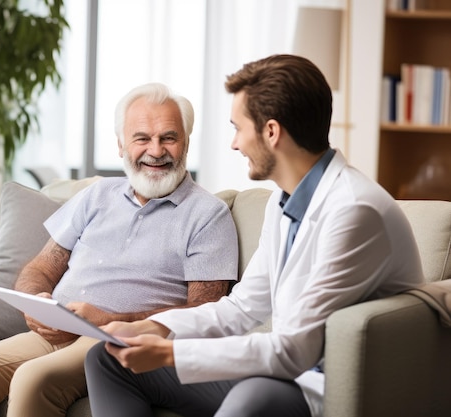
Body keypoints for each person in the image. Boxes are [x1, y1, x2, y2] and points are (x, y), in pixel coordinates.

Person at [84, 54, 425, 417]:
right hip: (285, 374)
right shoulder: (284, 199)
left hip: (331, 387)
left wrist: (169, 352)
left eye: (238, 128)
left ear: (272, 132)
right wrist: (152, 327)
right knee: (107, 360)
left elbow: (294, 351)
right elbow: (243, 306)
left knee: (254, 400)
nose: (234, 144)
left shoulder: (355, 211)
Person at [0, 82, 239, 417]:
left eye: (168, 137)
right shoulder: (98, 195)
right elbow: (41, 267)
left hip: (118, 342)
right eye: (142, 138)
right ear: (121, 145)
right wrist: (36, 302)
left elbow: (205, 311)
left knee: (32, 378)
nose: (156, 150)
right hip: (57, 330)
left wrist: (111, 319)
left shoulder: (208, 214)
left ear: (185, 143)